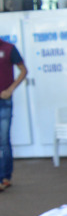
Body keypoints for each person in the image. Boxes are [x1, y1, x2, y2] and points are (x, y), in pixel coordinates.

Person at [0, 36, 27, 191]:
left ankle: (4, 177)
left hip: (4, 100)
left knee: (3, 140)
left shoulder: (9, 48)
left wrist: (11, 89)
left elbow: (23, 70)